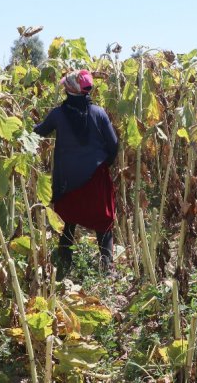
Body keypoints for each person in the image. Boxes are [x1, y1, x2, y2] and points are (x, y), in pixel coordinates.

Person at [34, 70, 119, 279]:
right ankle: (106, 267)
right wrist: (103, 164)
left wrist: (22, 125)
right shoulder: (98, 113)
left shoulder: (58, 114)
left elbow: (39, 132)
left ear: (69, 89)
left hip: (68, 179)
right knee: (103, 221)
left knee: (67, 221)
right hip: (96, 178)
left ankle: (64, 265)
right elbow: (114, 144)